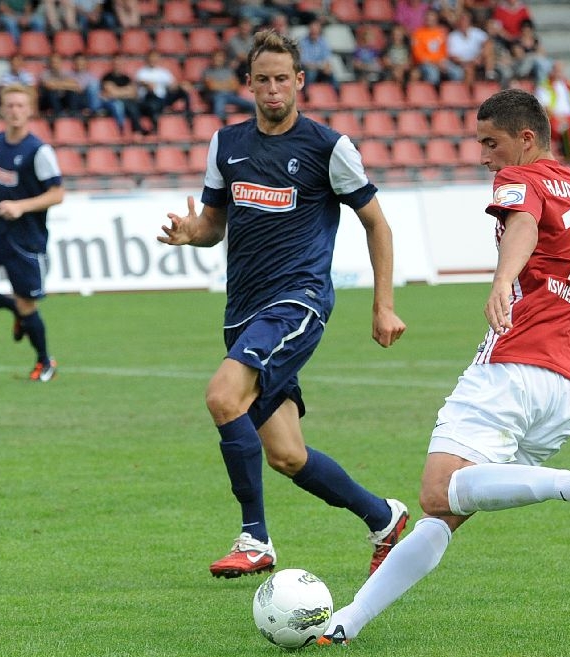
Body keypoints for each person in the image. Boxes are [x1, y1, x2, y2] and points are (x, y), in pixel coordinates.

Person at [317, 88, 570, 646]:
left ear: (526, 137)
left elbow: (521, 222)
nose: (484, 156)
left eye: (491, 143)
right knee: (445, 513)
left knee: (437, 491)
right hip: (568, 391)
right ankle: (343, 625)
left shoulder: (527, 178)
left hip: (514, 366)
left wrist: (501, 279)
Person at [156, 30, 410, 579]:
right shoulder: (226, 144)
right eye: (262, 79)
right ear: (248, 84)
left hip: (298, 301)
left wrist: (382, 305)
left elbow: (376, 224)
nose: (273, 89)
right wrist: (189, 232)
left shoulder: (328, 147)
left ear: (300, 82)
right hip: (243, 310)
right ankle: (383, 518)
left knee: (223, 398)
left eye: (282, 79)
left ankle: (255, 539)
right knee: (287, 455)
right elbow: (213, 226)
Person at [0, 84, 65, 383]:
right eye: (10, 106)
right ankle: (13, 310)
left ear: (29, 109)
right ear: (2, 110)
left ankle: (45, 361)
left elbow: (57, 194)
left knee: (28, 304)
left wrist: (21, 206)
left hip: (27, 239)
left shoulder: (39, 151)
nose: (15, 111)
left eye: (21, 105)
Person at [136, 48, 194, 133]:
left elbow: (172, 85)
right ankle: (155, 125)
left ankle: (188, 115)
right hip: (149, 100)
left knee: (183, 91)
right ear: (147, 59)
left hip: (163, 98)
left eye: (155, 57)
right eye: (151, 57)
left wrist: (182, 86)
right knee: (151, 98)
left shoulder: (163, 72)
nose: (153, 60)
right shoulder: (142, 72)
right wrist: (148, 85)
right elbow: (141, 82)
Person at [201, 48, 256, 121]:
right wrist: (227, 84)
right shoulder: (207, 71)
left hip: (230, 96)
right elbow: (212, 87)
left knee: (253, 105)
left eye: (221, 57)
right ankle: (220, 125)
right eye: (217, 57)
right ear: (212, 58)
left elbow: (236, 86)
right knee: (219, 104)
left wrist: (219, 84)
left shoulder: (228, 70)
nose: (219, 59)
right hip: (215, 96)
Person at [100, 55, 146, 136]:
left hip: (127, 101)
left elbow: (133, 93)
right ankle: (127, 130)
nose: (118, 65)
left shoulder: (126, 78)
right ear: (112, 63)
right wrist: (126, 91)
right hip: (113, 102)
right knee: (122, 105)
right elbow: (111, 93)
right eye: (116, 63)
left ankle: (137, 130)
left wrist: (117, 91)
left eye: (120, 63)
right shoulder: (107, 77)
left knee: (135, 104)